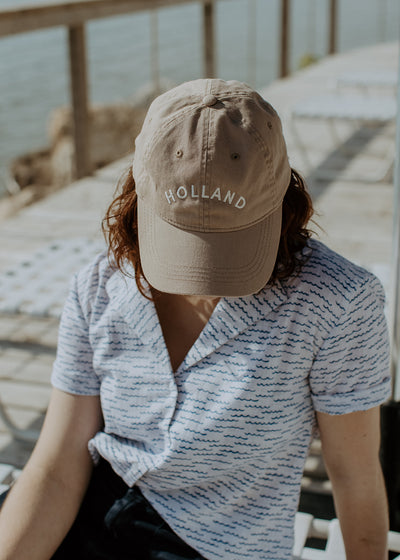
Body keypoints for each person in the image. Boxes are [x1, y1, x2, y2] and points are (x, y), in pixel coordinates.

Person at [0, 79, 391, 560]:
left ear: (283, 196)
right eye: (185, 237)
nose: (204, 278)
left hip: (216, 547)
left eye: (230, 242)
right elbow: (57, 466)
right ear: (136, 193)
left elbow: (355, 477)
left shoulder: (338, 303)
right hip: (90, 507)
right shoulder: (99, 286)